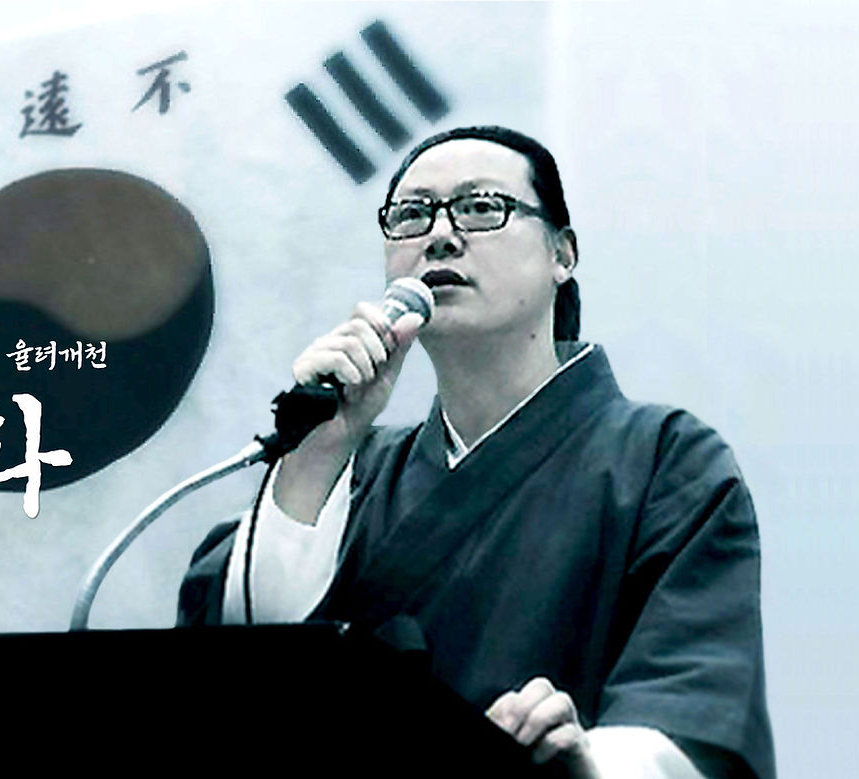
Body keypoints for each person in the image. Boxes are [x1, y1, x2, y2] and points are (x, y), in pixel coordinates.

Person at [177, 126, 773, 779]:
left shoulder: (663, 462)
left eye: (480, 207)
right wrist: (316, 455)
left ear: (562, 254)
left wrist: (584, 757)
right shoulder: (348, 468)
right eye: (412, 214)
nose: (440, 235)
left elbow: (695, 707)